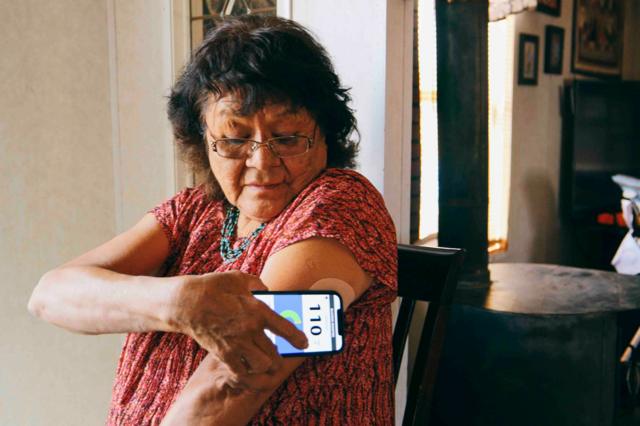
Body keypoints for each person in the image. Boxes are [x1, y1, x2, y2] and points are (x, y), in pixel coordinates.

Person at [28, 15, 397, 425]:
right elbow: (50, 295)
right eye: (235, 139)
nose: (263, 163)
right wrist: (178, 302)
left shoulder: (339, 208)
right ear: (202, 142)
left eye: (288, 138)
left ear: (325, 133)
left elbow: (235, 381)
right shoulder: (195, 211)